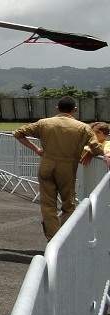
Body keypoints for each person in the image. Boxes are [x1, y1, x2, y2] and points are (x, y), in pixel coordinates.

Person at [13, 96, 101, 240]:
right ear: (74, 110)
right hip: (67, 167)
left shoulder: (44, 123)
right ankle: (65, 238)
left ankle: (52, 236)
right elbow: (97, 149)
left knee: (48, 204)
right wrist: (90, 153)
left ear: (57, 109)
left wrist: (36, 149)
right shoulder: (83, 127)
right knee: (68, 204)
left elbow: (18, 133)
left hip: (47, 164)